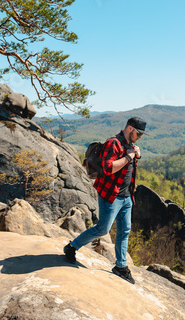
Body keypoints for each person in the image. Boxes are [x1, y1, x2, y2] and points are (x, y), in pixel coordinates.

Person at [63, 117, 147, 284]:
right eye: (139, 133)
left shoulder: (129, 145)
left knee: (125, 231)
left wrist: (136, 155)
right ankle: (71, 247)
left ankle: (121, 267)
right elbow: (108, 168)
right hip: (111, 196)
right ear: (130, 129)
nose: (140, 137)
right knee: (103, 229)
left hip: (126, 197)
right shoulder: (113, 143)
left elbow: (128, 168)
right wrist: (129, 157)